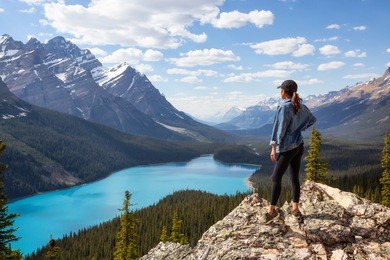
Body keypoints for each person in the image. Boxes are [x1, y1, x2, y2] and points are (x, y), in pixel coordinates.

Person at [265, 79, 316, 223]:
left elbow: (278, 129)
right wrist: (299, 129)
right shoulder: (300, 106)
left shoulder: (284, 107)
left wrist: (274, 148)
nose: (280, 92)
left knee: (276, 178)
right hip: (298, 145)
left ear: (283, 91)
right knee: (294, 177)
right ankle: (295, 209)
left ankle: (271, 211)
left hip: (286, 148)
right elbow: (312, 120)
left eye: (281, 90)